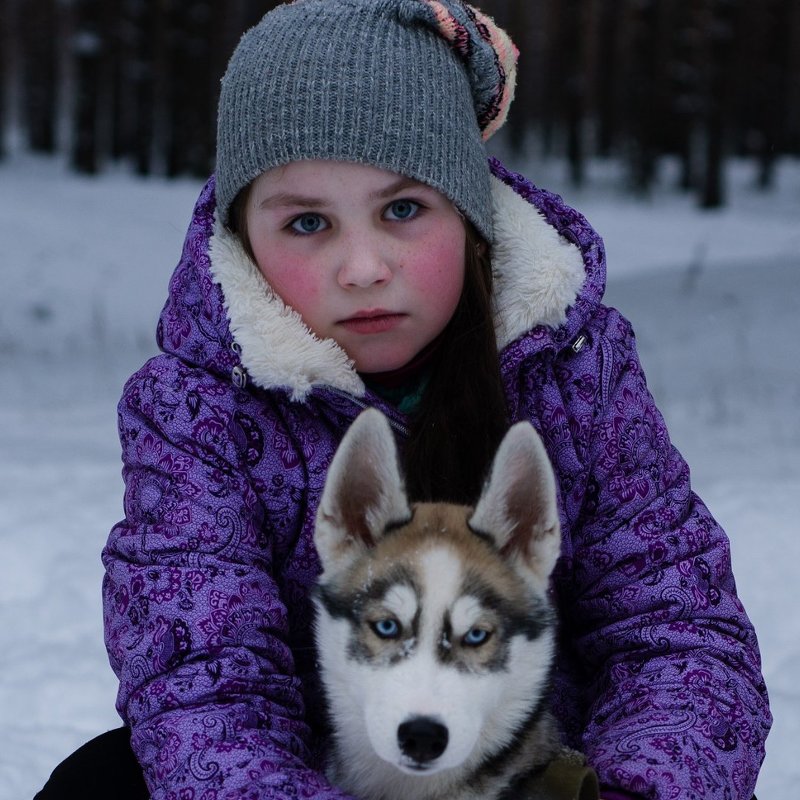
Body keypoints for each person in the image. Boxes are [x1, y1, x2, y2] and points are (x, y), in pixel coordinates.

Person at [36, 1, 770, 799]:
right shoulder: (196, 411)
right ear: (244, 236)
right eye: (308, 221)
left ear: (470, 214)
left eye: (403, 209)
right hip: (300, 773)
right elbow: (205, 679)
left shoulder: (575, 371)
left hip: (528, 768)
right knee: (101, 781)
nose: (362, 266)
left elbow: (674, 634)